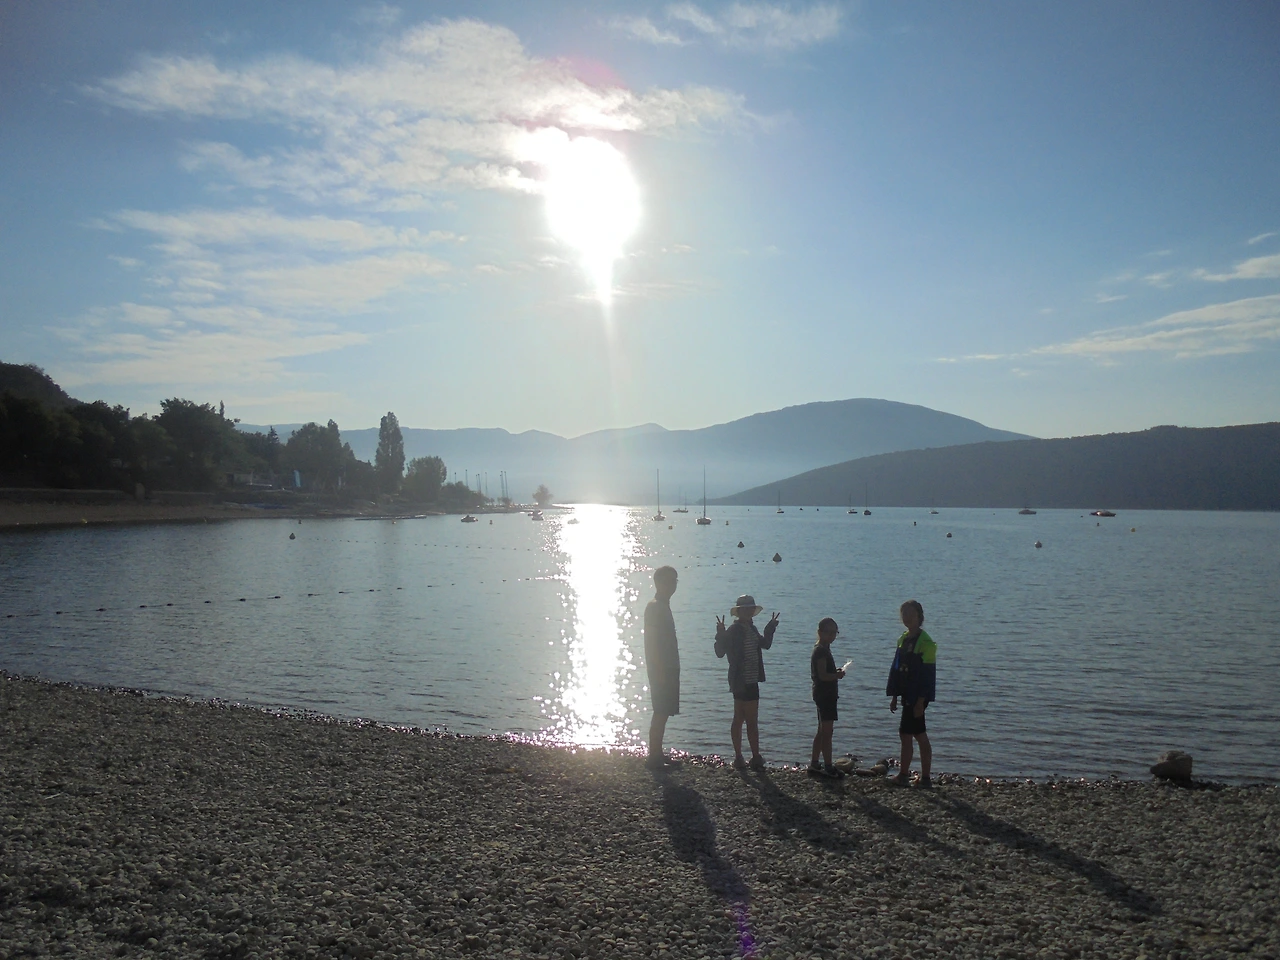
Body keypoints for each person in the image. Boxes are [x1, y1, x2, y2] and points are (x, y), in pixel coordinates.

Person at [714, 594, 779, 771]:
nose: (748, 612)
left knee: (748, 719)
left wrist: (771, 627)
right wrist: (720, 633)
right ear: (739, 612)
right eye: (744, 610)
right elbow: (719, 652)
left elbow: (765, 644)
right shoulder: (734, 630)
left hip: (751, 679)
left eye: (750, 609)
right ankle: (743, 757)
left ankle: (751, 756)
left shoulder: (751, 628)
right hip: (740, 680)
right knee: (741, 719)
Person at [886, 599, 936, 788]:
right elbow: (897, 669)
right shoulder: (903, 639)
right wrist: (894, 696)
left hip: (918, 696)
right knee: (907, 734)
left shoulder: (926, 642)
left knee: (917, 735)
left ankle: (923, 778)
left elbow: (928, 676)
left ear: (919, 616)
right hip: (906, 694)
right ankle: (907, 775)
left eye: (910, 614)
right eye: (904, 614)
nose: (907, 617)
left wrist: (920, 702)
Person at [643, 566, 682, 770]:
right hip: (661, 668)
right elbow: (651, 641)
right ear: (658, 582)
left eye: (675, 580)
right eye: (668, 580)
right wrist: (658, 670)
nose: (672, 584)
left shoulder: (662, 605)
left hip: (668, 666)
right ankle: (654, 757)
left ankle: (658, 752)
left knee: (664, 710)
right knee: (660, 711)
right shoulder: (655, 606)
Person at [809, 617, 846, 778]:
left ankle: (815, 762)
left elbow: (824, 672)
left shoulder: (824, 648)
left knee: (822, 730)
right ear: (820, 632)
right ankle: (828, 766)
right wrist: (837, 675)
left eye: (834, 632)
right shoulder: (821, 651)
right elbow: (823, 675)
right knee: (827, 732)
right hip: (825, 695)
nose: (831, 635)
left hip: (824, 693)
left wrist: (834, 673)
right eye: (828, 632)